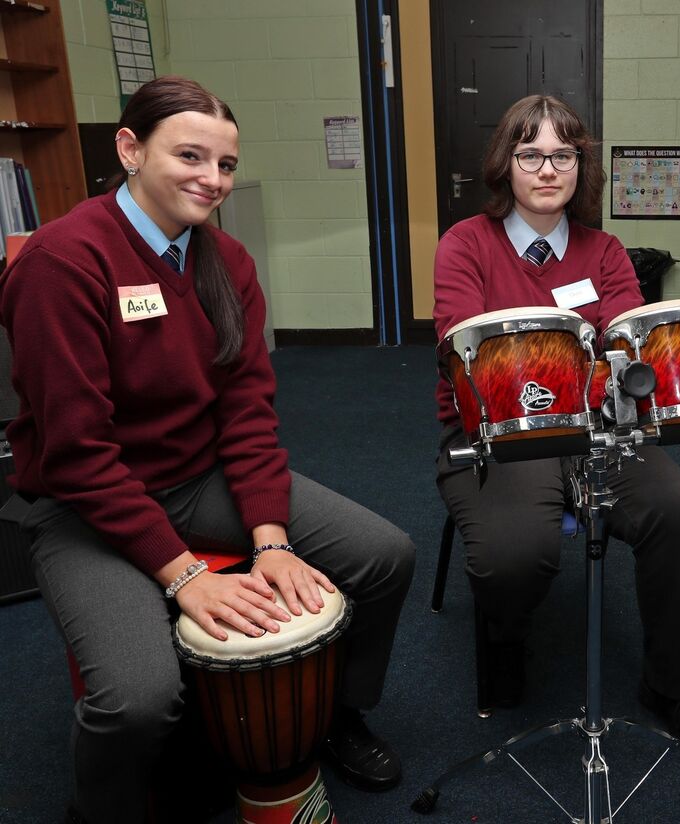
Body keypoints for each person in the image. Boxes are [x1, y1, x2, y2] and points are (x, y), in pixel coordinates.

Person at [0, 77, 415, 822]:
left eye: (225, 165)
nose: (213, 181)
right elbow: (77, 455)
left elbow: (247, 414)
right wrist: (185, 574)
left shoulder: (225, 261)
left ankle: (337, 716)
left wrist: (272, 540)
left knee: (384, 555)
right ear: (129, 149)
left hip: (197, 478)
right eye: (189, 156)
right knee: (138, 699)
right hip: (81, 507)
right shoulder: (64, 261)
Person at [433, 94, 680, 754]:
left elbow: (625, 345)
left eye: (561, 155)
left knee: (679, 515)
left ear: (579, 165)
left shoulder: (605, 251)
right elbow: (462, 350)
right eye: (530, 153)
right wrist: (570, 357)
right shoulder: (466, 244)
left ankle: (671, 683)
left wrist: (581, 369)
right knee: (515, 557)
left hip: (600, 426)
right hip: (500, 433)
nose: (546, 169)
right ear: (505, 164)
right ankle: (506, 638)